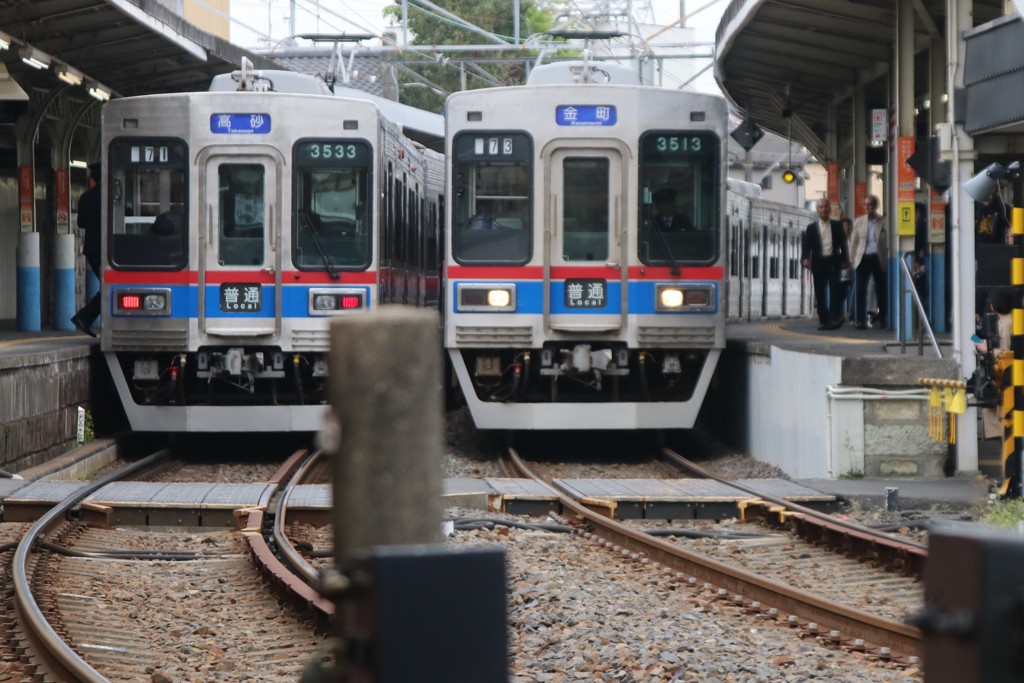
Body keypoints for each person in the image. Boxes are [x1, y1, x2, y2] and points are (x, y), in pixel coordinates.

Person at [801, 197, 849, 330]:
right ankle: (824, 321)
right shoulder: (811, 228)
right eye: (821, 207)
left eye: (826, 207)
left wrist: (845, 261)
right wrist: (805, 258)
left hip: (833, 262)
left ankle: (833, 319)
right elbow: (806, 245)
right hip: (818, 263)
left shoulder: (837, 225)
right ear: (817, 210)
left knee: (835, 291)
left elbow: (843, 245)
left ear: (830, 210)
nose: (824, 209)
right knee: (820, 294)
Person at [849, 194, 888, 330]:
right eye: (865, 205)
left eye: (870, 205)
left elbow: (887, 242)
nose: (867, 207)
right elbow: (853, 243)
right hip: (863, 258)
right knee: (860, 290)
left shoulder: (883, 221)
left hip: (878, 258)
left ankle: (883, 318)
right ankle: (860, 320)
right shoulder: (859, 222)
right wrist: (852, 260)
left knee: (882, 290)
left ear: (875, 206)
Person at [71, 162, 101, 338]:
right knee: (110, 288)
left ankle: (83, 318)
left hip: (91, 249)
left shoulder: (85, 197)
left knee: (107, 287)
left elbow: (81, 223)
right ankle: (83, 318)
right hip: (108, 251)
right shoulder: (113, 196)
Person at [912, 201, 929, 319]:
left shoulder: (922, 223)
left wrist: (920, 262)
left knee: (922, 289)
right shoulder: (923, 222)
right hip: (920, 260)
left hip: (921, 260)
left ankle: (921, 317)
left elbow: (918, 243)